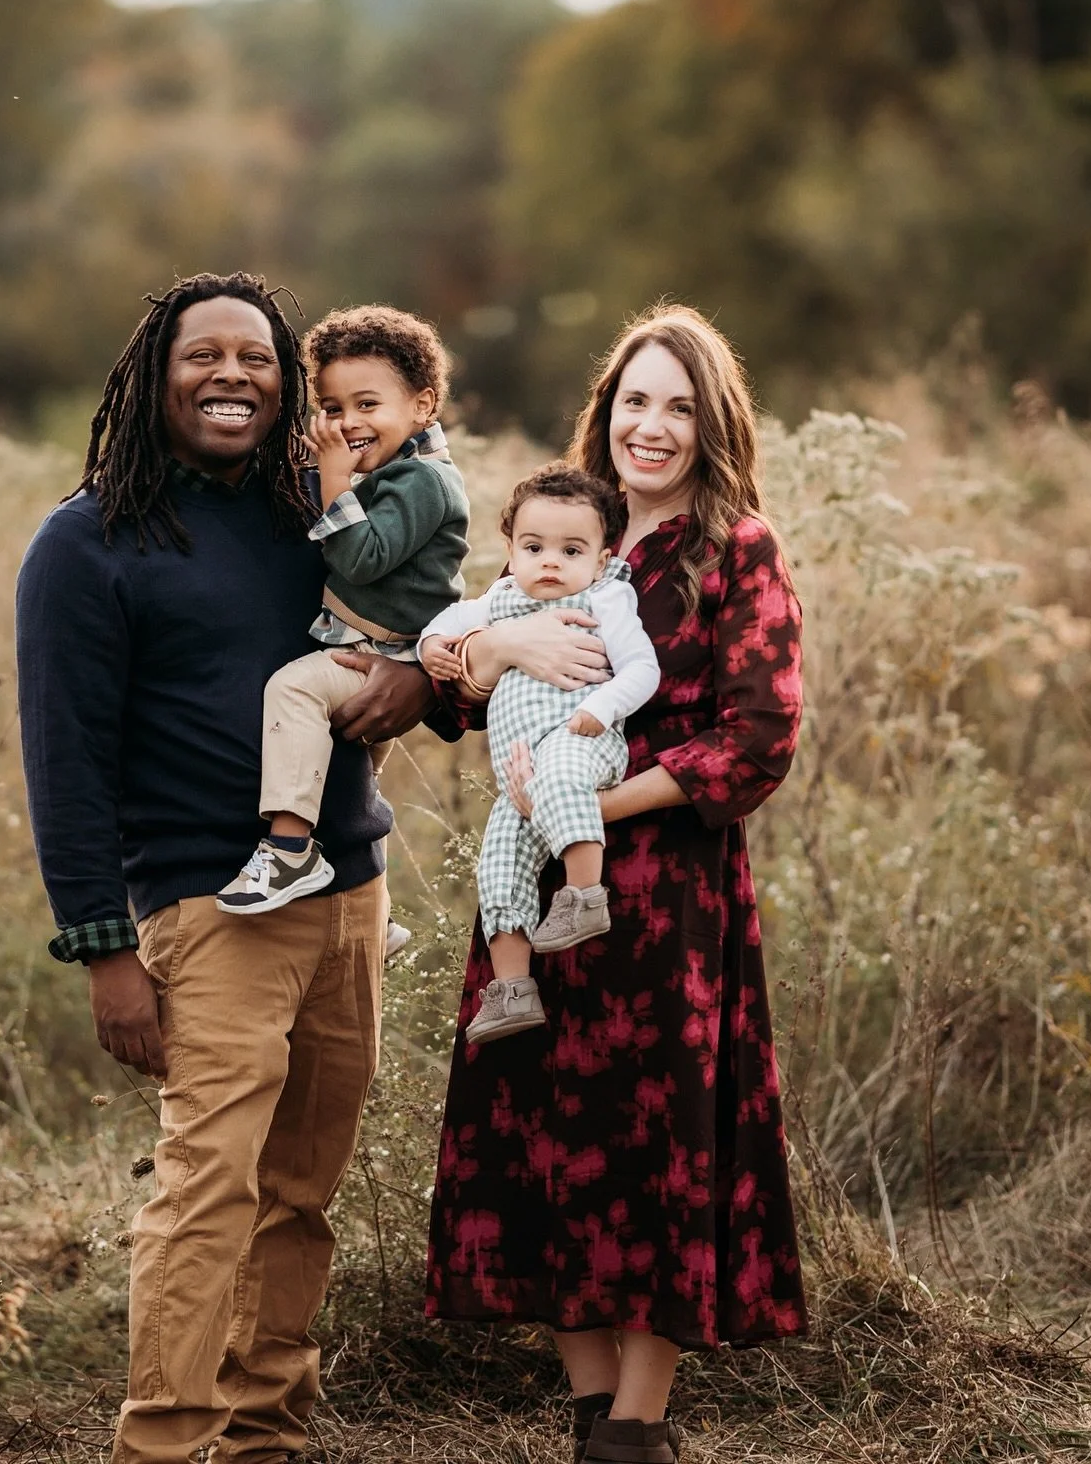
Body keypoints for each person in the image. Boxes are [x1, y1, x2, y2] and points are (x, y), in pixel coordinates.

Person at [15, 272, 437, 1464]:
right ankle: (163, 1441)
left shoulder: (316, 512)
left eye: (257, 358)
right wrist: (105, 947)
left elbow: (414, 626)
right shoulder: (87, 543)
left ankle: (266, 1438)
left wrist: (424, 684)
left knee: (301, 1198)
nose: (233, 377)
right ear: (157, 376)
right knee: (209, 1197)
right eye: (204, 356)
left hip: (350, 898)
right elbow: (65, 758)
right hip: (213, 914)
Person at [424, 305, 808, 1464]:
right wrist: (497, 653)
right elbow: (450, 684)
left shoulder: (735, 548)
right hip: (535, 888)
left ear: (713, 423)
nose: (653, 426)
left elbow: (760, 738)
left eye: (680, 406)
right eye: (636, 400)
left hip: (666, 900)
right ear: (606, 409)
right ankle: (592, 1413)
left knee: (655, 1152)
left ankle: (637, 1431)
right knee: (542, 1128)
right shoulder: (569, 528)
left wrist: (591, 800)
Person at [216, 305, 468, 934]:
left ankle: (289, 851)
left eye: (367, 404)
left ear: (423, 406)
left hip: (387, 655)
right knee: (349, 784)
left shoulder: (424, 483)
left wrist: (332, 478)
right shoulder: (396, 470)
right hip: (381, 645)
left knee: (293, 688)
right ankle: (374, 916)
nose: (348, 422)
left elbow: (361, 556)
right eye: (331, 408)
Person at [420, 465, 660, 1043]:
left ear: (602, 557)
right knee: (498, 860)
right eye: (534, 547)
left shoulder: (607, 597)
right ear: (511, 549)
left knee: (560, 778)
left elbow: (643, 669)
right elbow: (445, 622)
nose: (550, 562)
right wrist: (433, 648)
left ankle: (584, 895)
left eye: (571, 549)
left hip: (582, 741)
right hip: (518, 773)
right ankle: (511, 990)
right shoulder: (501, 598)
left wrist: (600, 711)